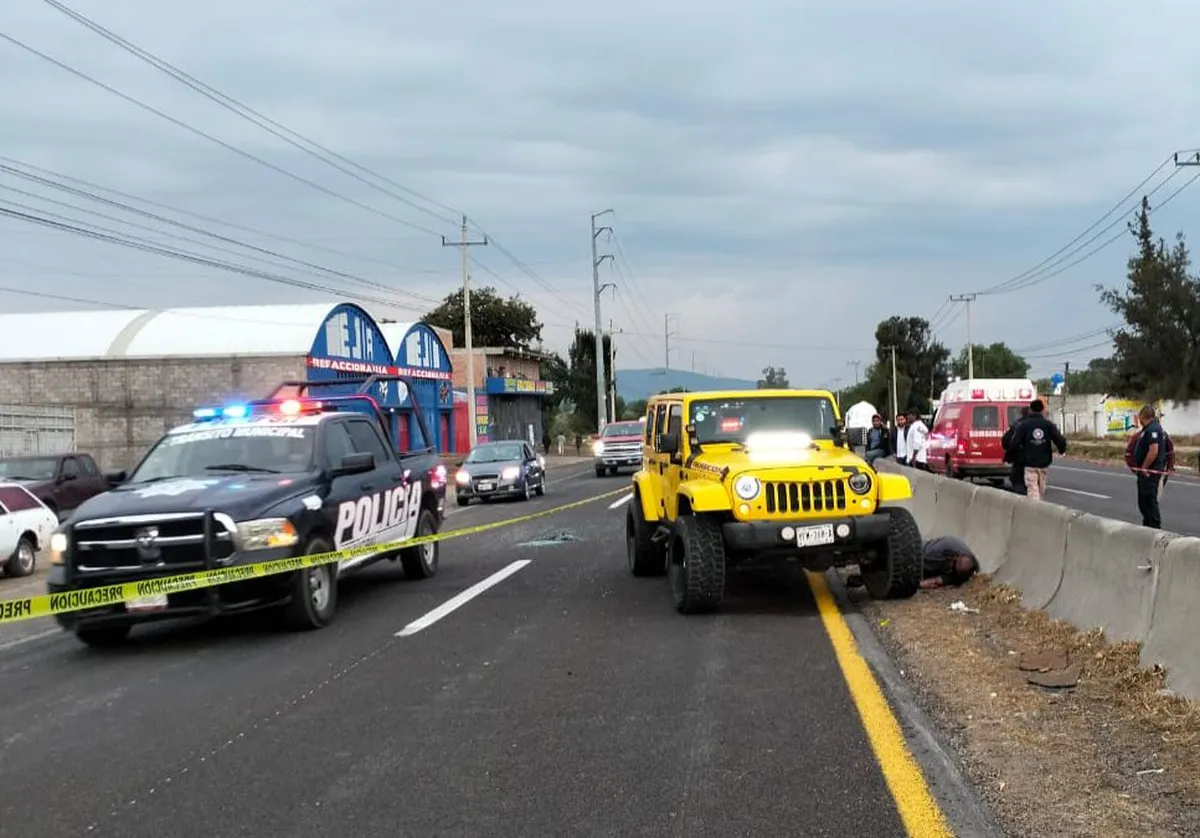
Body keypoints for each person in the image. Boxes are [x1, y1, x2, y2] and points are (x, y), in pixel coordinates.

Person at [845, 535, 978, 590]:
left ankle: (865, 579)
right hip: (916, 555)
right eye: (953, 568)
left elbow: (937, 581)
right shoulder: (939, 550)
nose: (952, 572)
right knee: (889, 563)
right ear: (955, 557)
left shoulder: (965, 566)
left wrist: (916, 584)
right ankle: (862, 570)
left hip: (925, 568)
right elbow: (914, 555)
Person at [1010, 398, 1067, 501]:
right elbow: (1059, 439)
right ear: (1042, 410)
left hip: (1029, 463)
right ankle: (1038, 507)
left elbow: (1014, 442)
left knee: (1032, 489)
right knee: (1040, 489)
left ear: (1030, 410)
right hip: (1044, 463)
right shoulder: (1048, 425)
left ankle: (1035, 510)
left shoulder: (1024, 425)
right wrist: (1062, 450)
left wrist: (1011, 456)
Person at [1131, 404, 1167, 529]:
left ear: (1143, 416)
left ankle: (1154, 527)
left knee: (1149, 500)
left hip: (1150, 473)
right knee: (1143, 502)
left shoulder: (1153, 429)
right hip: (1144, 473)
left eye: (1140, 417)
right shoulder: (1147, 429)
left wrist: (1145, 467)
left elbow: (1153, 451)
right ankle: (1147, 526)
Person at [1002, 406, 1030, 494]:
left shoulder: (1018, 424)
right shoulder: (1042, 424)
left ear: (1022, 413)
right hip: (1039, 461)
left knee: (1017, 480)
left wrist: (1008, 456)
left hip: (1021, 459)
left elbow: (1007, 440)